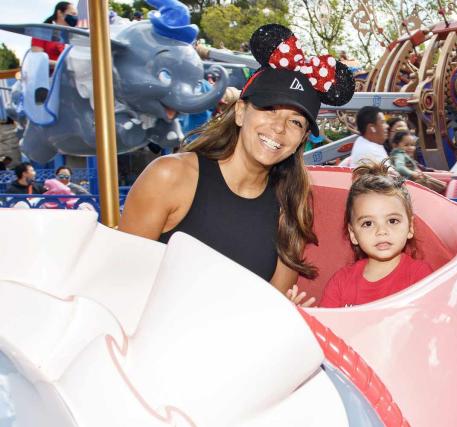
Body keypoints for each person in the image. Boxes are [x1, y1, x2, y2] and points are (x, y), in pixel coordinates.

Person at [119, 23, 355, 297]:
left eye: (295, 121)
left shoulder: (291, 206)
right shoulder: (171, 176)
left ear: (301, 140)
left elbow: (273, 305)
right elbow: (121, 282)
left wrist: (288, 315)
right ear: (241, 112)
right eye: (269, 109)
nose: (279, 128)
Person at [319, 161, 434, 308]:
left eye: (392, 221)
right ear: (353, 234)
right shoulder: (341, 282)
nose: (381, 231)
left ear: (410, 227)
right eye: (368, 223)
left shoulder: (420, 276)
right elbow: (324, 326)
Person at [31, 2, 78, 69]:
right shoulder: (41, 32)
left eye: (76, 15)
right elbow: (37, 60)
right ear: (60, 13)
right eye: (73, 14)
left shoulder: (74, 36)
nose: (75, 17)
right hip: (49, 78)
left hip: (70, 78)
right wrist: (64, 65)